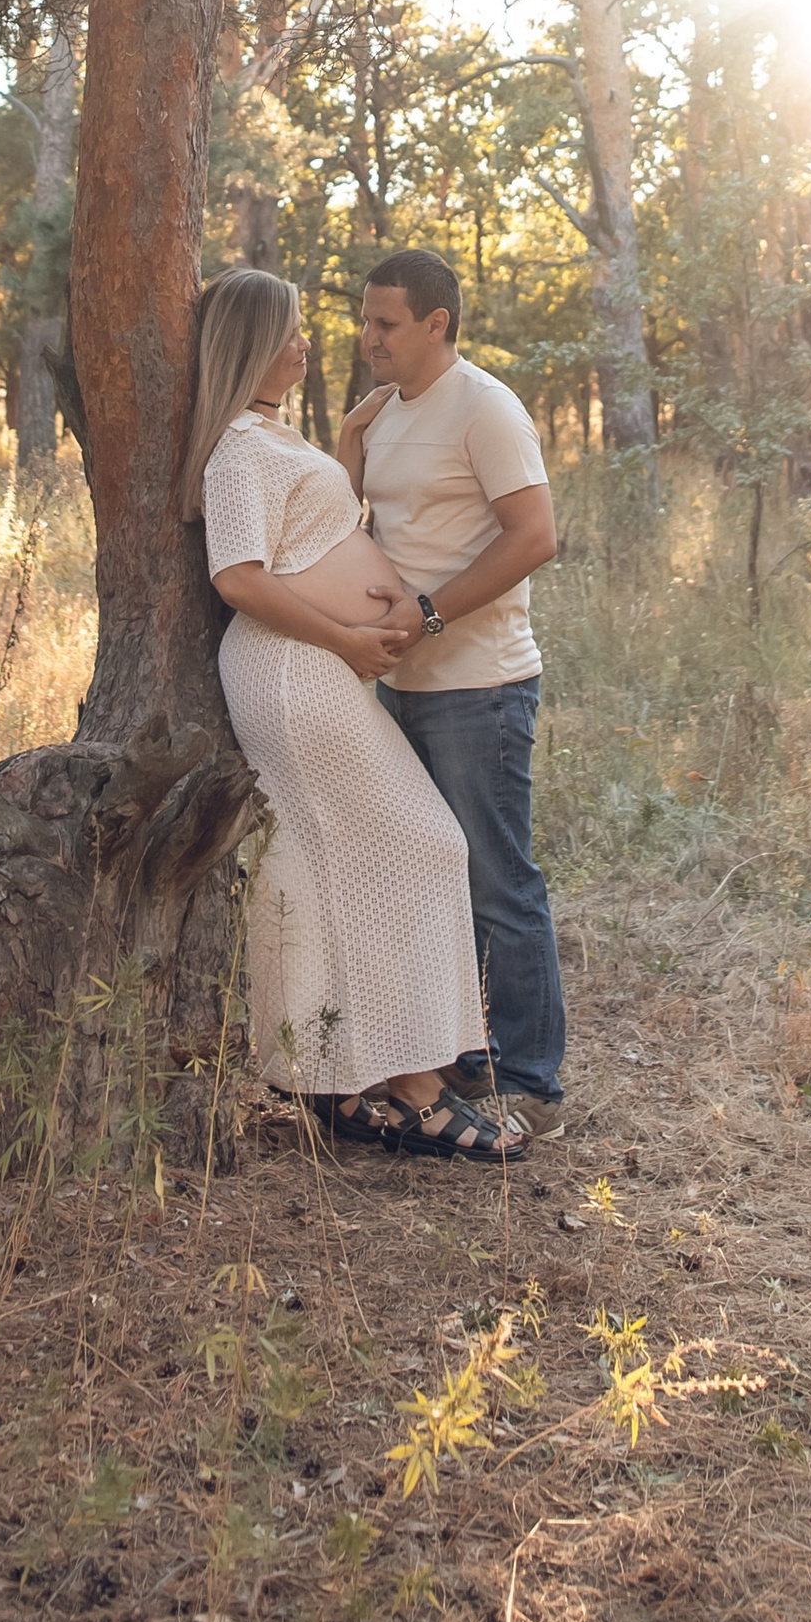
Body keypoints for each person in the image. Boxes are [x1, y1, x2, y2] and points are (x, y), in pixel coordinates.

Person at [185, 267, 519, 1161]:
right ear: (249, 346)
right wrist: (342, 639)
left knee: (318, 865)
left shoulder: (270, 437)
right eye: (290, 332)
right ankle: (415, 1086)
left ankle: (337, 1080)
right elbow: (238, 578)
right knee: (420, 844)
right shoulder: (238, 451)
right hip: (296, 674)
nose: (308, 344)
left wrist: (341, 446)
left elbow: (317, 536)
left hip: (313, 670)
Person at [342, 251, 567, 1130]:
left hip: (480, 687)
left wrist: (428, 613)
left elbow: (535, 535)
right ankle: (462, 1057)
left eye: (386, 324)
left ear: (438, 324)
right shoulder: (390, 411)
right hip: (402, 684)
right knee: (428, 879)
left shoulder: (487, 409)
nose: (369, 339)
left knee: (498, 884)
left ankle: (534, 1082)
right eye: (365, 321)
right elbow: (362, 516)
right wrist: (351, 445)